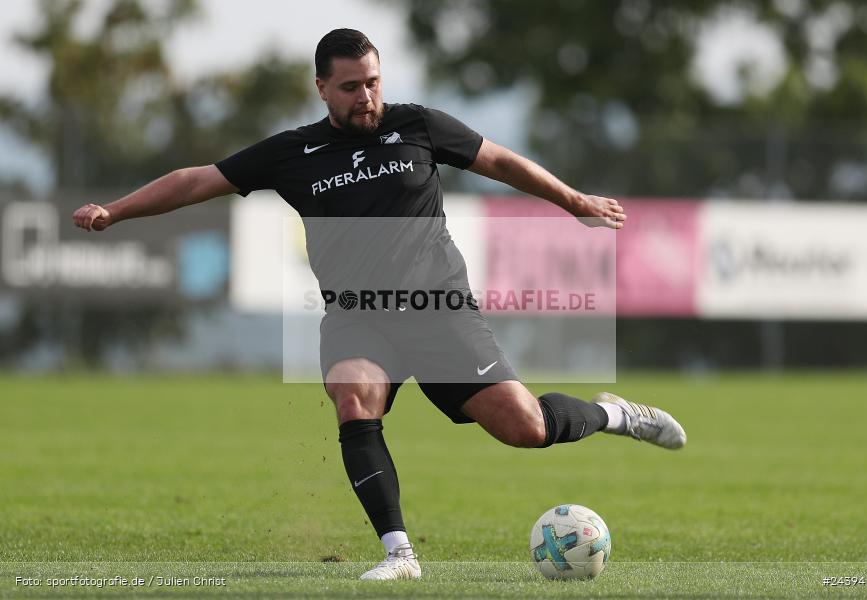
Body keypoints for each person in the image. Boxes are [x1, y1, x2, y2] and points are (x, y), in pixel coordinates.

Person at [73, 28, 686, 581]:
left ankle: (612, 415)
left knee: (525, 429)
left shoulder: (418, 126)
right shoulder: (292, 153)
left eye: (372, 82)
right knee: (352, 395)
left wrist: (574, 201)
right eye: (350, 87)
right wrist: (116, 211)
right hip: (358, 316)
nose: (365, 97)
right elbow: (195, 181)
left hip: (438, 309)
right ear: (321, 88)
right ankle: (400, 554)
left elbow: (500, 161)